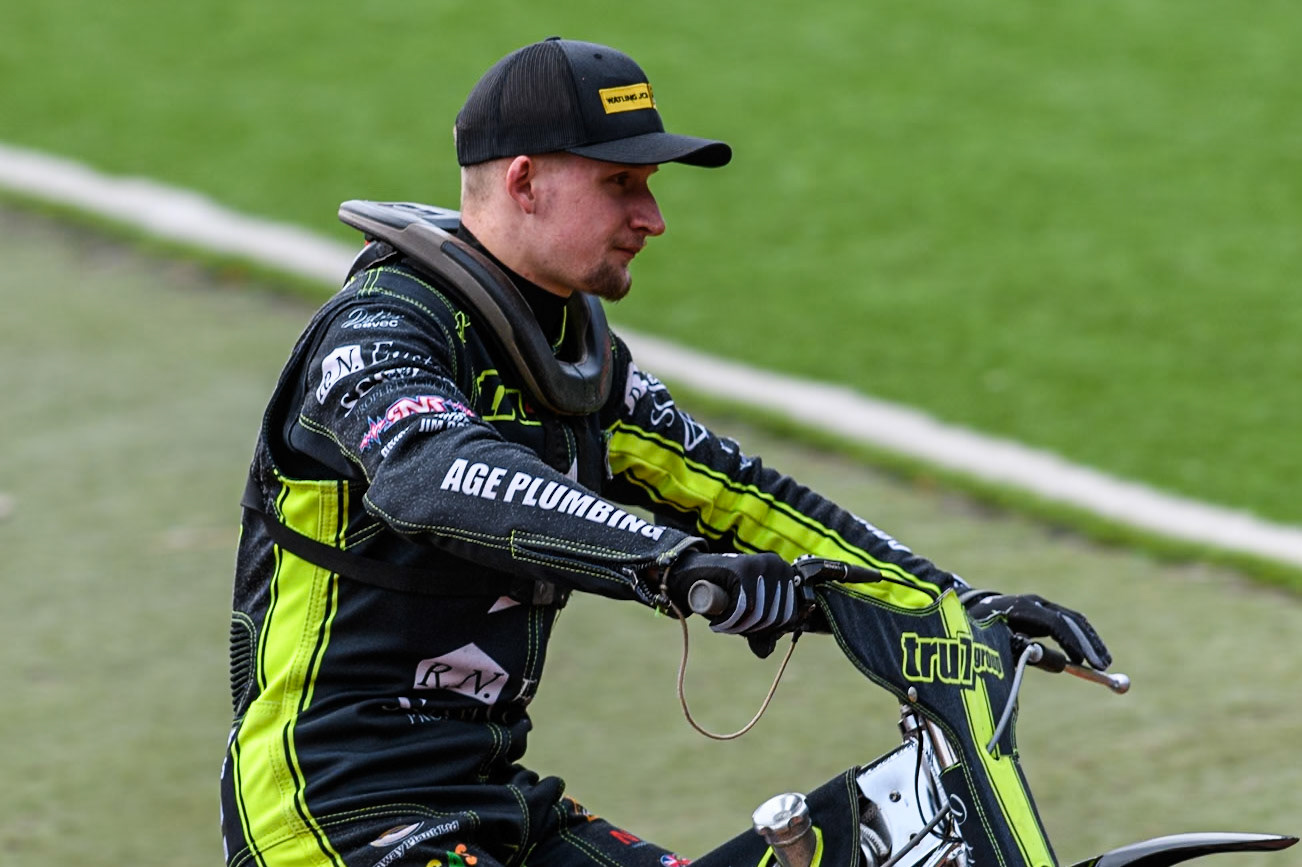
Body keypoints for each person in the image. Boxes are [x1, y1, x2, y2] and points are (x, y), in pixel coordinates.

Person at [221, 36, 1110, 867]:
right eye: (622, 186)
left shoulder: (579, 359)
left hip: (490, 795)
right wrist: (672, 565)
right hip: (334, 814)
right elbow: (433, 473)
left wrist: (952, 604)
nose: (652, 217)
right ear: (526, 181)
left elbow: (741, 495)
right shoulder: (380, 328)